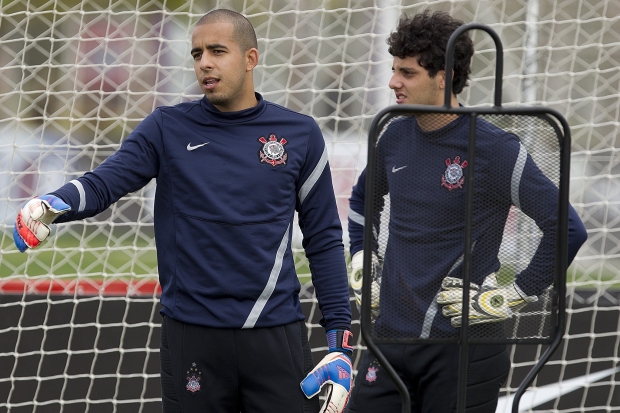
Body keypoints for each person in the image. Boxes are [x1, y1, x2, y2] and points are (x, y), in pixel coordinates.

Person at [13, 9, 354, 413]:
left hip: (274, 334)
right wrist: (53, 204)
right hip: (192, 337)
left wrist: (340, 342)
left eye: (217, 51)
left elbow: (324, 238)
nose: (204, 62)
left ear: (250, 58)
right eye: (196, 53)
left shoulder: (300, 134)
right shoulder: (167, 127)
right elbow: (105, 182)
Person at [345, 11, 588, 413]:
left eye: (407, 73)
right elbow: (361, 202)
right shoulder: (393, 134)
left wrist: (513, 294)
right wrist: (361, 256)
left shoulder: (494, 149)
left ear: (445, 76)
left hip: (463, 347)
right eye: (394, 70)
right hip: (388, 339)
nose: (393, 82)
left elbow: (566, 228)